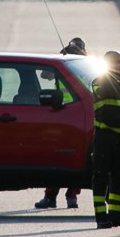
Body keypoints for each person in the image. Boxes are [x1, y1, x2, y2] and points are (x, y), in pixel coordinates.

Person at [34, 36, 88, 210]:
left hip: (74, 117)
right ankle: (53, 197)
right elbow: (44, 74)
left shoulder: (83, 66)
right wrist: (60, 58)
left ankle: (68, 196)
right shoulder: (68, 64)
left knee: (73, 159)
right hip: (61, 116)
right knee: (58, 159)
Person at [91, 50, 120, 229]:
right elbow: (104, 105)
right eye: (115, 62)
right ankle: (101, 216)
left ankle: (117, 215)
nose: (119, 65)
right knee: (101, 176)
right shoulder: (100, 81)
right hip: (105, 135)